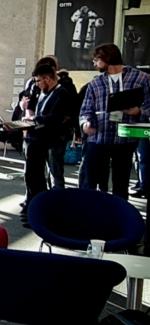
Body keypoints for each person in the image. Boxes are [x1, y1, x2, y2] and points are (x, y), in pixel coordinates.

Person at [79, 43, 150, 199]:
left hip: (125, 138)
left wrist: (140, 111)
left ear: (107, 58)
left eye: (96, 59)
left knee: (121, 183)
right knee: (92, 181)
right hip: (98, 138)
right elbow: (86, 110)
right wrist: (85, 123)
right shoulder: (95, 83)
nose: (94, 63)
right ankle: (92, 215)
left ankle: (118, 217)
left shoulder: (141, 78)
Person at [19, 65, 72, 227]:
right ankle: (34, 209)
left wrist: (36, 120)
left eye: (39, 81)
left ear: (48, 79)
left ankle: (39, 213)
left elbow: (56, 117)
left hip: (47, 138)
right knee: (32, 177)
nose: (37, 84)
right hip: (35, 138)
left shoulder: (61, 93)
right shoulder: (44, 92)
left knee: (39, 178)